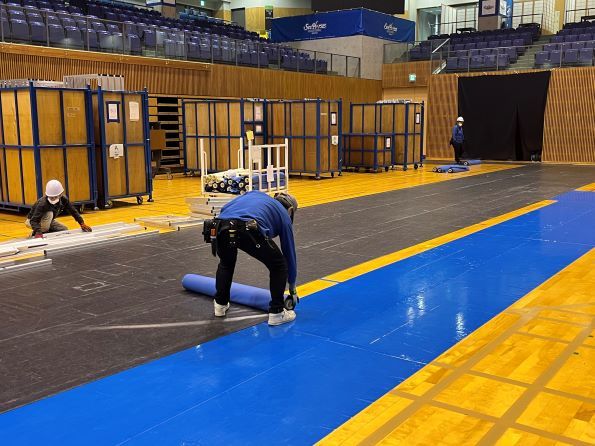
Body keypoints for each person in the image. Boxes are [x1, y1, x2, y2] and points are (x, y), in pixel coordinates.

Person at [211, 191, 298, 326]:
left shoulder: (256, 194)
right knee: (279, 266)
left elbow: (226, 208)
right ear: (290, 210)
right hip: (248, 227)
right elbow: (289, 252)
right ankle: (277, 312)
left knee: (226, 263)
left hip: (220, 225)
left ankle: (220, 305)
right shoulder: (284, 214)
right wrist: (292, 287)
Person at [25, 179, 92, 238]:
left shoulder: (64, 199)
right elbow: (33, 221)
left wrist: (81, 223)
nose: (53, 199)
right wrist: (38, 232)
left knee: (63, 230)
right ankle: (35, 233)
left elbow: (73, 211)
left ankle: (44, 231)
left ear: (60, 195)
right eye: (51, 197)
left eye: (55, 197)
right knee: (49, 214)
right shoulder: (42, 204)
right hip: (31, 221)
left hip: (47, 220)